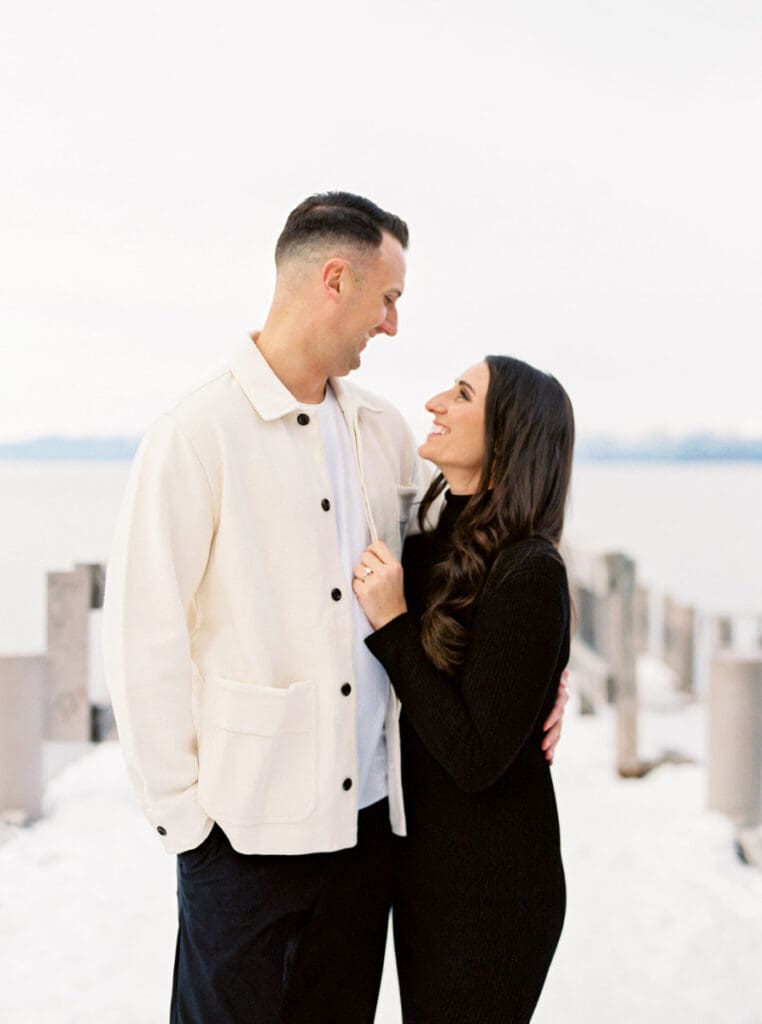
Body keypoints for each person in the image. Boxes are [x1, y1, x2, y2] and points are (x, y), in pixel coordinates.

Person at [103, 192, 568, 1024]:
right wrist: (189, 829)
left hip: (369, 838)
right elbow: (144, 639)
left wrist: (541, 675)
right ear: (333, 279)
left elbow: (473, 552)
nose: (391, 324)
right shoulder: (194, 434)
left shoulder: (382, 431)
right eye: (387, 299)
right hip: (244, 840)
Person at [354, 356, 573, 1023]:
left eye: (461, 393)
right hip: (425, 870)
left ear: (505, 434)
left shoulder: (529, 571)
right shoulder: (435, 544)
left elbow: (476, 757)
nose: (434, 403)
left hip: (495, 889)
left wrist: (391, 626)